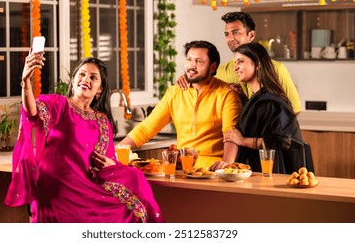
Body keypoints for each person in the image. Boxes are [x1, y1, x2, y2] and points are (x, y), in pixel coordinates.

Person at [4, 53, 164, 223]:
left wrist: (112, 164)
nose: (86, 79)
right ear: (73, 81)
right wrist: (26, 81)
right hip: (59, 187)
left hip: (88, 185)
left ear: (99, 89)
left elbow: (106, 159)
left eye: (93, 77)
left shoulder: (102, 120)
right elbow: (31, 111)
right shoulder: (59, 104)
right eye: (82, 74)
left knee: (136, 179)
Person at [118, 40, 242, 171]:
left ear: (212, 67)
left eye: (199, 61)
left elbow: (231, 134)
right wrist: (117, 150)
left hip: (212, 170)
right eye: (189, 59)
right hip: (182, 168)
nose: (192, 66)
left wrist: (226, 165)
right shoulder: (174, 92)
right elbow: (147, 128)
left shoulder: (227, 94)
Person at [177, 11, 301, 114]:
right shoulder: (221, 72)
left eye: (236, 32)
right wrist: (188, 78)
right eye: (227, 34)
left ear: (251, 35)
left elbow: (294, 109)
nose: (230, 38)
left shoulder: (276, 69)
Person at [223, 42, 306, 174]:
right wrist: (244, 99)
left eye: (240, 62)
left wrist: (243, 141)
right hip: (253, 172)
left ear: (258, 64)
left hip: (268, 175)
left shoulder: (272, 102)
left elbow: (281, 142)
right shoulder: (258, 98)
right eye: (235, 63)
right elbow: (257, 125)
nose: (235, 68)